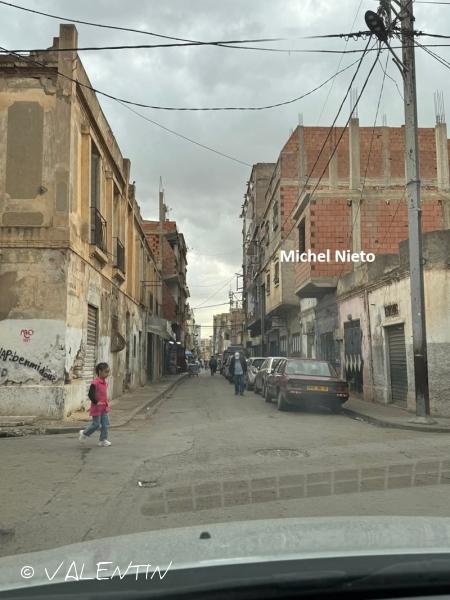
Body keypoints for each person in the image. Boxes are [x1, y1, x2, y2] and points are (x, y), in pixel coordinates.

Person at [79, 362, 112, 447]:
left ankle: (103, 440)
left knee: (105, 424)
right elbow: (90, 394)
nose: (107, 374)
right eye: (106, 372)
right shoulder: (95, 382)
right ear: (100, 371)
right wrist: (96, 402)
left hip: (104, 407)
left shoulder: (105, 382)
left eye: (108, 372)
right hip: (96, 407)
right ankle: (84, 433)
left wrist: (106, 401)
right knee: (96, 424)